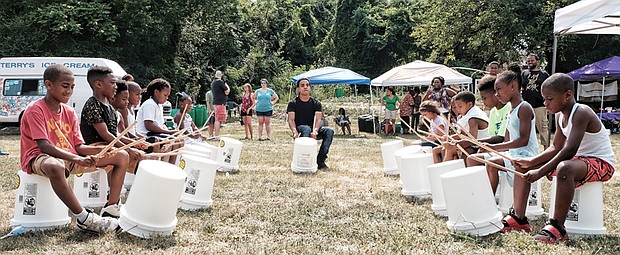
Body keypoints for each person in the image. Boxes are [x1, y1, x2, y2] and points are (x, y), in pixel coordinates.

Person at [20, 64, 128, 233]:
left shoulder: (70, 112)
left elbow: (79, 146)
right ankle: (85, 218)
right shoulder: (36, 109)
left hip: (69, 158)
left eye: (72, 87)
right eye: (65, 86)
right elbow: (44, 146)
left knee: (121, 155)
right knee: (55, 166)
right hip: (40, 157)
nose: (69, 91)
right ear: (48, 85)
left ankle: (111, 207)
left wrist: (105, 150)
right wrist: (77, 158)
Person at [512, 73, 616, 244]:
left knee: (564, 168)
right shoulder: (560, 115)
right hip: (579, 159)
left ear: (568, 95)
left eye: (549, 99)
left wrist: (541, 170)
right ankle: (519, 218)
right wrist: (532, 163)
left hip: (601, 163)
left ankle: (557, 227)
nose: (545, 104)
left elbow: (569, 150)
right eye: (544, 99)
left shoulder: (581, 112)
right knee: (524, 165)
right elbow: (556, 147)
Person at [470, 70, 538, 201]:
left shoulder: (524, 108)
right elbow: (507, 140)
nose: (497, 94)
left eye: (499, 89)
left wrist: (495, 148)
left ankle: (488, 201)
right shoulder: (510, 111)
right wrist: (491, 148)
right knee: (478, 158)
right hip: (513, 153)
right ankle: (480, 195)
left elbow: (523, 140)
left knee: (492, 163)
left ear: (513, 86)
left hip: (526, 154)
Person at [79, 66, 146, 198]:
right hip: (95, 148)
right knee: (123, 156)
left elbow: (114, 136)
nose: (116, 86)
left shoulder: (109, 107)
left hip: (108, 146)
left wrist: (135, 143)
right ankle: (112, 203)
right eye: (112, 83)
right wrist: (129, 149)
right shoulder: (93, 104)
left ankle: (139, 197)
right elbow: (105, 135)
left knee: (144, 158)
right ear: (98, 84)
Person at [287, 78, 334, 169]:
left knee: (329, 131)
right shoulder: (292, 103)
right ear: (298, 89)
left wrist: (315, 131)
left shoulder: (317, 103)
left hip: (313, 128)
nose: (305, 87)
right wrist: (294, 131)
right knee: (306, 129)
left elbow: (318, 119)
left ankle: (320, 160)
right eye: (302, 85)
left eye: (307, 85)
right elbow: (291, 120)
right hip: (300, 129)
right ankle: (305, 160)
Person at [465, 75, 511, 167]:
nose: (483, 102)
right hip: (497, 147)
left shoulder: (509, 108)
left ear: (495, 94)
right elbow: (493, 135)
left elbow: (500, 138)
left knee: (473, 159)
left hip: (506, 149)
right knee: (466, 151)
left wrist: (473, 142)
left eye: (484, 98)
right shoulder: (493, 112)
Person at [136, 78, 179, 163]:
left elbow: (161, 124)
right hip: (145, 135)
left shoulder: (159, 105)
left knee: (178, 141)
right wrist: (168, 133)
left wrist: (170, 131)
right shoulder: (150, 104)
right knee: (170, 141)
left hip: (155, 133)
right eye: (165, 95)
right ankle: (164, 166)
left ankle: (171, 166)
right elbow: (149, 125)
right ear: (156, 92)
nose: (167, 98)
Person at [439, 91, 489, 162]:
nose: (458, 109)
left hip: (482, 144)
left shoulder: (473, 118)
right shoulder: (469, 114)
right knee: (446, 149)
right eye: (456, 107)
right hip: (475, 144)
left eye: (460, 106)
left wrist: (454, 145)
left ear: (469, 104)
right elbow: (462, 134)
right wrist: (449, 138)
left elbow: (472, 139)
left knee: (452, 150)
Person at [522, 53, 550, 149]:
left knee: (543, 128)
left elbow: (549, 89)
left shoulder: (544, 74)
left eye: (532, 60)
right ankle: (529, 149)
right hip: (526, 106)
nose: (530, 63)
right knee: (526, 129)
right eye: (528, 61)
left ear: (537, 61)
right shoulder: (524, 74)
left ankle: (546, 150)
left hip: (540, 105)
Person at [211, 70, 229, 137]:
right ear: (221, 76)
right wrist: (227, 86)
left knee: (217, 119)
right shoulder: (219, 82)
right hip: (220, 103)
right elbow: (227, 91)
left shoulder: (213, 82)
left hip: (216, 102)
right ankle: (217, 135)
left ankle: (216, 135)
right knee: (218, 120)